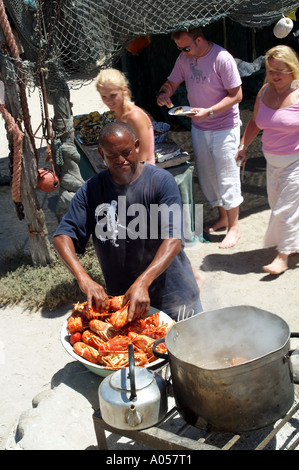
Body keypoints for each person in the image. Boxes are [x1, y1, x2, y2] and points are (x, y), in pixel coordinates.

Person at [53, 121, 202, 321]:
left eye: (126, 152)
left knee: (189, 351)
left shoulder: (161, 182)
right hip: (125, 305)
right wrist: (84, 279)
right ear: (100, 153)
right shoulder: (91, 191)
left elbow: (173, 240)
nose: (121, 160)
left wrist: (143, 282)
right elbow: (63, 237)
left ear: (137, 146)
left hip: (175, 299)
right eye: (112, 155)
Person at [157, 27, 243, 248]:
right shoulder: (184, 58)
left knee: (227, 176)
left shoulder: (222, 58)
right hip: (199, 126)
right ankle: (223, 217)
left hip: (224, 127)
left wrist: (211, 111)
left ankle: (234, 227)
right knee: (208, 176)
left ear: (198, 40)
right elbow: (171, 82)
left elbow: (237, 95)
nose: (183, 52)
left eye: (186, 47)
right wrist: (165, 93)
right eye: (180, 49)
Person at [236, 45, 299, 275]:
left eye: (280, 70)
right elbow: (255, 121)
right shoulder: (264, 92)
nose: (274, 75)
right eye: (271, 70)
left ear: (292, 69)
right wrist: (243, 145)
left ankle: (283, 255)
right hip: (273, 163)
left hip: (296, 162)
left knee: (285, 208)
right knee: (277, 205)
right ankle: (293, 243)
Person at [95, 68, 155, 165]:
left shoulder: (135, 117)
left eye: (113, 95)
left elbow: (145, 160)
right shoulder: (117, 114)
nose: (109, 101)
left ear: (124, 90)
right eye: (104, 96)